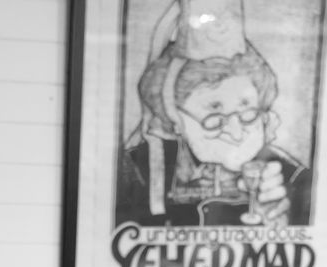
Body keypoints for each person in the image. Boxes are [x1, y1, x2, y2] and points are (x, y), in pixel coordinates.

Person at [116, 0, 313, 229]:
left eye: (248, 113)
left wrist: (287, 221)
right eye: (215, 120)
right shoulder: (138, 170)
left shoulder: (292, 178)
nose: (236, 133)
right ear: (175, 118)